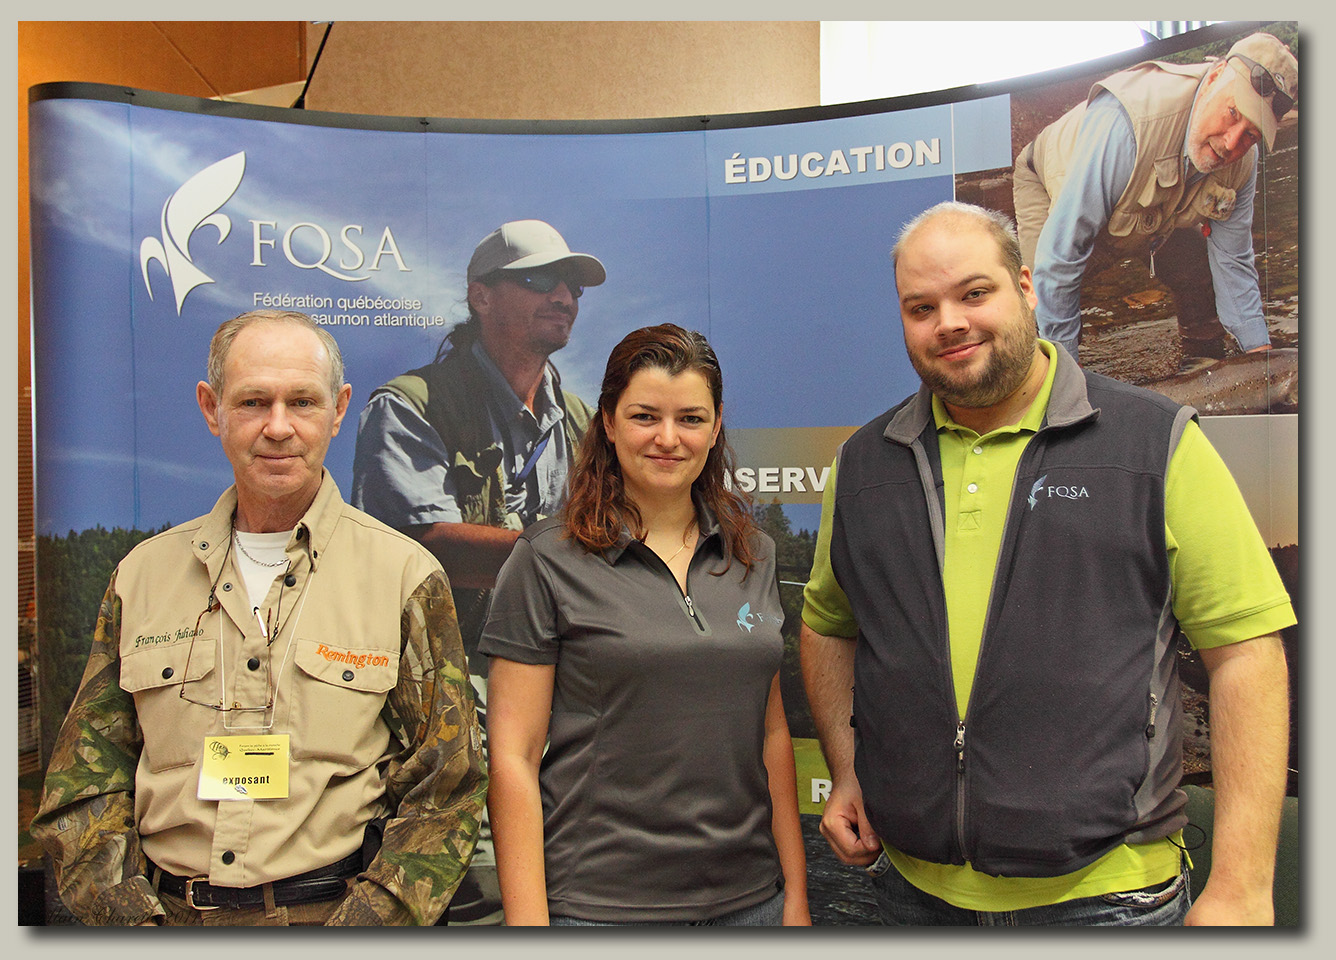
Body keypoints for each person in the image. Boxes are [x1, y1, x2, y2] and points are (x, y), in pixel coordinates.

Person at [800, 202, 1294, 925]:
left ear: (1026, 288)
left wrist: (1244, 884)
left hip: (1106, 901)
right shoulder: (864, 465)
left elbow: (1246, 652)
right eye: (921, 307)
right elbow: (826, 625)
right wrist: (847, 770)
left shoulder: (1154, 442)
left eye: (975, 293)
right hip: (911, 895)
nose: (950, 323)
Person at [31, 310, 487, 926]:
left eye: (302, 401)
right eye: (252, 402)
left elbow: (448, 787)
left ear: (338, 409)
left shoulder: (405, 576)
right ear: (211, 408)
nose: (278, 427)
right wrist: (132, 924)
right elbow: (85, 782)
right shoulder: (141, 577)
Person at [480, 324, 810, 926]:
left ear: (716, 427)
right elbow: (514, 758)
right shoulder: (546, 560)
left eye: (690, 418)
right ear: (608, 422)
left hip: (751, 904)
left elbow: (771, 736)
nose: (668, 438)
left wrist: (795, 899)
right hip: (600, 911)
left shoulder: (754, 554)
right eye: (645, 417)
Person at [351, 218, 605, 922]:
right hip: (445, 718)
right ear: (480, 295)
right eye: (539, 280)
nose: (563, 296)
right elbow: (418, 546)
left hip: (564, 714)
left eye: (572, 285)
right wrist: (567, 550)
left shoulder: (583, 421)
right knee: (481, 901)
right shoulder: (411, 405)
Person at [1012, 32, 1298, 367]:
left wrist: (1261, 362)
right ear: (1215, 77)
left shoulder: (1243, 163)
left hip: (1150, 214)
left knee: (1199, 269)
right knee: (1034, 311)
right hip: (1051, 185)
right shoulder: (1127, 125)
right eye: (1233, 112)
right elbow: (1059, 261)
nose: (1232, 143)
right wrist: (1066, 379)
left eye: (1251, 134)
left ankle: (1201, 365)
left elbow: (1233, 261)